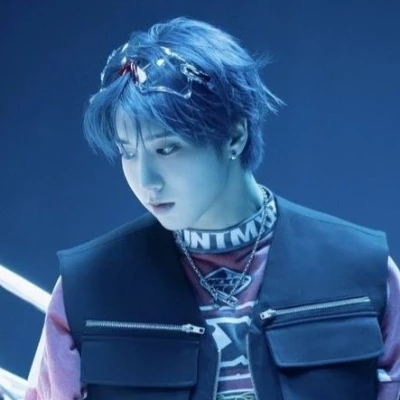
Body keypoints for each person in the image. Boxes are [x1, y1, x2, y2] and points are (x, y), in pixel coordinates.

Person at [25, 16, 400, 400]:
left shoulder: (362, 270)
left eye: (166, 148)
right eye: (128, 152)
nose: (146, 180)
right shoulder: (89, 287)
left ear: (234, 136)